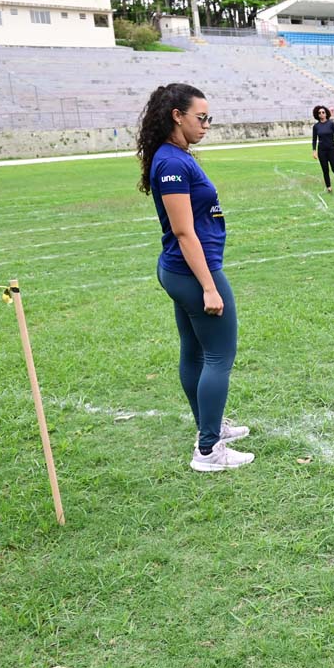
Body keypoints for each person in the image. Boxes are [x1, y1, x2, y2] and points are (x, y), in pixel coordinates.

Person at [137, 83, 254, 472]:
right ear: (177, 116)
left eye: (208, 118)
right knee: (219, 356)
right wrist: (209, 286)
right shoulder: (171, 163)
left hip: (180, 269)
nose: (206, 125)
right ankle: (208, 450)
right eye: (201, 118)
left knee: (194, 351)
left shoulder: (176, 156)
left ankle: (210, 425)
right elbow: (184, 232)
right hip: (191, 271)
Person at [311, 105, 334, 192]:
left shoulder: (331, 124)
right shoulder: (316, 126)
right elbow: (314, 139)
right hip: (322, 150)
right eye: (319, 113)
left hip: (332, 149)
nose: (321, 114)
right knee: (325, 169)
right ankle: (328, 187)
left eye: (323, 112)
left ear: (326, 113)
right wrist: (314, 151)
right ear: (317, 114)